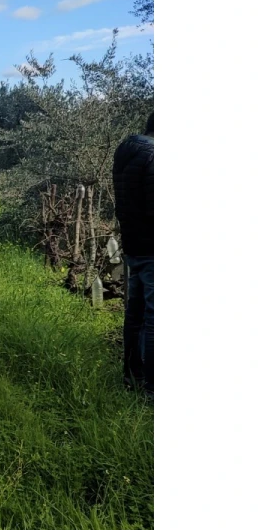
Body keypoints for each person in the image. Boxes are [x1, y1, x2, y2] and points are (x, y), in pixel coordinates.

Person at [113, 113, 154, 397]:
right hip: (154, 246)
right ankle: (153, 385)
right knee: (155, 317)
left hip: (133, 243)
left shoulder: (125, 150)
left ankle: (131, 375)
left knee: (136, 312)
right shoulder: (155, 156)